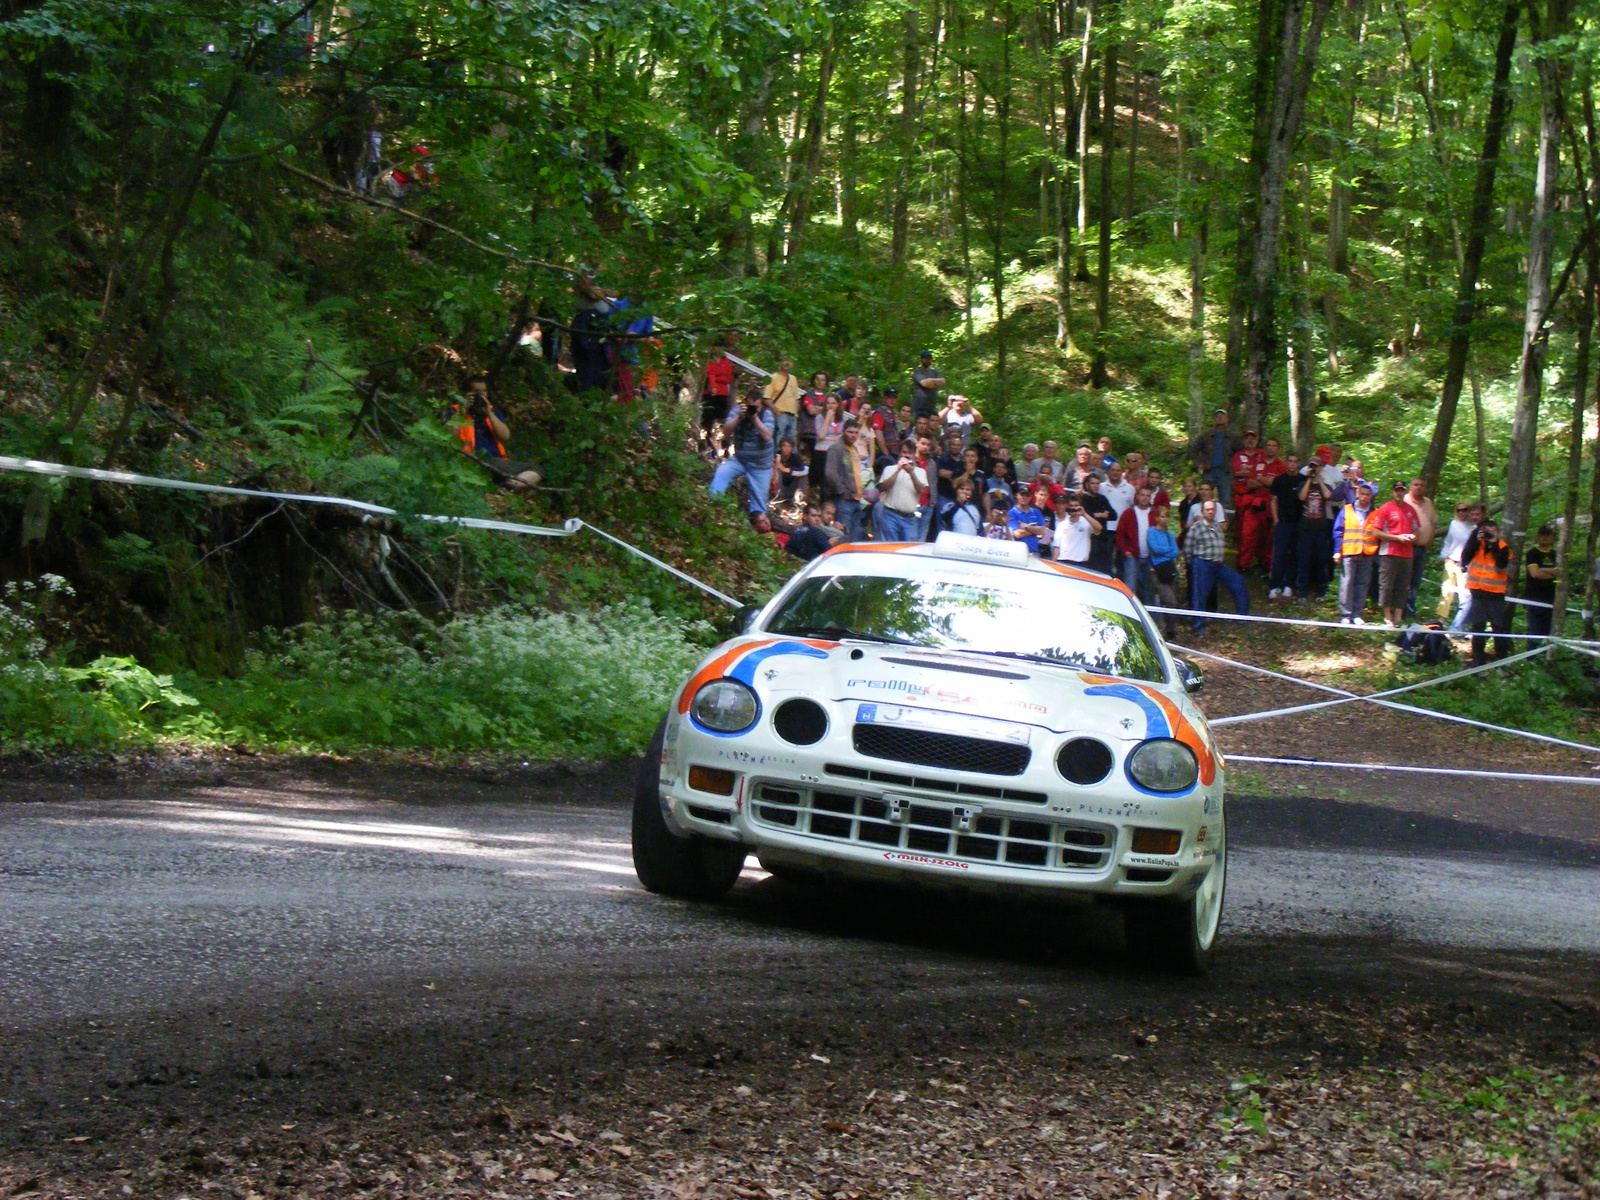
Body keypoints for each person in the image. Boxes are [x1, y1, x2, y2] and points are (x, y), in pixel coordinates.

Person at [1184, 499, 1251, 636]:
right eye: (1207, 509)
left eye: (1212, 509)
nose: (1210, 512)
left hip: (1218, 564)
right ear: (1202, 511)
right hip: (1202, 563)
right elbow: (1187, 548)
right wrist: (1193, 563)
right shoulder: (1196, 527)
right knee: (1200, 595)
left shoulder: (1217, 526)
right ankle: (1198, 627)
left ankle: (1242, 617)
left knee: (1237, 582)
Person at [708, 388, 776, 514]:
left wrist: (755, 418)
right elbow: (726, 431)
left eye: (757, 406)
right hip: (740, 460)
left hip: (760, 465)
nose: (753, 408)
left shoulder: (767, 414)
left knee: (759, 502)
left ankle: (757, 524)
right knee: (722, 473)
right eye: (751, 405)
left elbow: (767, 436)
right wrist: (739, 416)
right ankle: (712, 506)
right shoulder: (737, 410)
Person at [1462, 517, 1513, 664]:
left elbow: (1502, 564)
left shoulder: (1503, 546)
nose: (1488, 535)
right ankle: (1477, 659)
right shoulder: (1477, 544)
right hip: (1478, 591)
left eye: (1492, 532)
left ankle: (1501, 659)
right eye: (1486, 532)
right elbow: (1465, 558)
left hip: (1495, 593)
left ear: (1498, 533)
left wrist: (1494, 544)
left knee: (1498, 627)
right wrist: (1475, 539)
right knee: (1478, 626)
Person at [1369, 480, 1419, 627]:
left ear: (1405, 492)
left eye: (1402, 490)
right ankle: (1387, 615)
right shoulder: (1385, 509)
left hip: (1407, 552)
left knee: (1403, 585)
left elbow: (1415, 528)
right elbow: (1376, 531)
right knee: (1386, 584)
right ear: (1393, 492)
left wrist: (1412, 536)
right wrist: (1396, 537)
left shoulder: (1410, 509)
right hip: (1389, 552)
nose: (1399, 493)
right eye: (1397, 490)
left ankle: (1398, 615)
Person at [1333, 481, 1379, 624]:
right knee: (1346, 583)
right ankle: (1345, 615)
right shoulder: (1346, 509)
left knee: (1362, 583)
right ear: (1357, 494)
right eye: (1362, 494)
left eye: (1368, 494)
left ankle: (1357, 614)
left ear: (1371, 496)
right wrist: (1337, 551)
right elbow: (1338, 531)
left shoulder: (1376, 513)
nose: (1365, 497)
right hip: (1349, 551)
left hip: (1367, 553)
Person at [1295, 459, 1335, 601]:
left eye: (1316, 466)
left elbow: (1328, 496)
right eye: (1311, 465)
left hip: (1321, 529)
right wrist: (1309, 480)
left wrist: (1320, 481)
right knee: (1304, 560)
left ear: (1320, 468)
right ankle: (1302, 592)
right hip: (1305, 529)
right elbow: (1301, 497)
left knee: (1321, 560)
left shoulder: (1325, 485)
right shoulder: (1302, 484)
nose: (1313, 468)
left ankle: (1321, 591)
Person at [1266, 452, 1304, 599]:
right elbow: (1273, 500)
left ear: (1298, 464)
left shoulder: (1302, 480)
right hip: (1282, 523)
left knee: (1294, 555)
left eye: (1295, 461)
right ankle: (1275, 585)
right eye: (1289, 461)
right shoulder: (1279, 480)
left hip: (1298, 524)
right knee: (1279, 555)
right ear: (1286, 463)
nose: (1292, 464)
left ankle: (1289, 585)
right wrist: (1276, 519)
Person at [1232, 430, 1271, 571]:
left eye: (1252, 438)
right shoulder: (1238, 456)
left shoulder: (1262, 455)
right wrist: (1255, 475)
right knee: (1244, 532)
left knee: (1263, 532)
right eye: (1247, 438)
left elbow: (1267, 475)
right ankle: (1243, 562)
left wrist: (1250, 473)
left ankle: (1262, 561)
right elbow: (1237, 472)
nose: (1250, 440)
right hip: (1243, 497)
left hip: (1261, 498)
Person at [876, 439, 928, 542]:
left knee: (909, 549)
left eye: (910, 453)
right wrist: (898, 470)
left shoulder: (921, 472)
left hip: (910, 518)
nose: (907, 455)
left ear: (914, 454)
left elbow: (921, 490)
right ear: (899, 453)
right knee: (890, 548)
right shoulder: (889, 469)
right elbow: (885, 487)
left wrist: (911, 473)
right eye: (904, 452)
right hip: (890, 515)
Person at [1401, 477, 1438, 619]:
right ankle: (1401, 608)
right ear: (1411, 486)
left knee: (1415, 580)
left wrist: (1429, 540)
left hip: (1422, 548)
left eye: (1422, 485)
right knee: (1405, 579)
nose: (1419, 487)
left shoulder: (1428, 502)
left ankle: (1411, 607)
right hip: (1407, 547)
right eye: (1416, 485)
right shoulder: (1404, 500)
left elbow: (1433, 523)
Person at [1437, 499, 1477, 627]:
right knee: (1446, 593)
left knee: (1464, 596)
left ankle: (1458, 626)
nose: (1462, 513)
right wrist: (1444, 556)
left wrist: (1469, 563)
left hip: (1464, 565)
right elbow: (1448, 541)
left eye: (1465, 510)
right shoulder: (1453, 524)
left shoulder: (1474, 528)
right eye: (1459, 510)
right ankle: (1440, 621)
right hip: (1450, 562)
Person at [1187, 409, 1241, 505]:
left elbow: (1240, 453)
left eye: (1222, 416)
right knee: (1204, 497)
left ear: (1226, 419)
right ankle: (1203, 518)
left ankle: (1223, 519)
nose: (1220, 418)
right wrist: (1198, 463)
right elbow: (1193, 449)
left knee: (1225, 500)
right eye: (1217, 416)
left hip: (1225, 471)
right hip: (1209, 470)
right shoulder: (1206, 435)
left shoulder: (1232, 436)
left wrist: (1235, 466)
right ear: (1214, 419)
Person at [824, 419, 866, 540]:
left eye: (856, 432)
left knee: (855, 537)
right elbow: (830, 473)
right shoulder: (836, 449)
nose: (853, 435)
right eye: (850, 432)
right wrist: (842, 491)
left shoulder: (854, 449)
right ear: (843, 431)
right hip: (843, 500)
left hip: (856, 498)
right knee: (842, 537)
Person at [1116, 486, 1157, 601]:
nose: (1145, 498)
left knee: (1149, 590)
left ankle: (1152, 616)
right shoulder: (1129, 513)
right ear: (1137, 496)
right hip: (1132, 555)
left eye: (1148, 496)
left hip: (1150, 557)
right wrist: (1125, 551)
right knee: (1130, 587)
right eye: (1142, 495)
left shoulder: (1154, 514)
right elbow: (1120, 534)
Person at [1146, 505, 1181, 635]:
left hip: (1169, 569)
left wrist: (1164, 551)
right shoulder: (1151, 532)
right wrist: (1167, 550)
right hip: (1157, 570)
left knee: (1170, 601)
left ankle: (1171, 630)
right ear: (1156, 518)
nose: (1164, 519)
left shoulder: (1169, 535)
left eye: (1167, 516)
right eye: (1162, 516)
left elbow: (1176, 552)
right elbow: (1155, 549)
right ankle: (1163, 629)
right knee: (1167, 600)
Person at [1524, 523, 1560, 642]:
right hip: (1535, 597)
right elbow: (1535, 573)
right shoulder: (1532, 553)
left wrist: (1542, 569)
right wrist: (1553, 572)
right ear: (1538, 536)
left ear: (1552, 537)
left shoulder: (1556, 554)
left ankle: (1546, 657)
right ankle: (1532, 657)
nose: (1544, 537)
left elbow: (1561, 572)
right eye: (1542, 535)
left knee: (1548, 631)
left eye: (1547, 535)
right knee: (1535, 630)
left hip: (1552, 597)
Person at [699, 342, 738, 452]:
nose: (718, 348)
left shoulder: (725, 361)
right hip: (710, 393)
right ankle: (705, 441)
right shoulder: (709, 360)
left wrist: (718, 378)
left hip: (723, 393)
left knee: (720, 417)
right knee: (708, 418)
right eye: (716, 346)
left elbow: (728, 377)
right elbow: (710, 374)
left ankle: (720, 443)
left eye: (720, 346)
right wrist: (715, 383)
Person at [1077, 472, 1118, 575]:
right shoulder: (1084, 499)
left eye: (1097, 483)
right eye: (1093, 483)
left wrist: (1105, 515)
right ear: (1087, 485)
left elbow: (1114, 515)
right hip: (1089, 537)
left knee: (1104, 568)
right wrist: (1100, 515)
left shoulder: (1102, 498)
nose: (1095, 486)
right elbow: (1085, 514)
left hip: (1103, 538)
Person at [1052, 493, 1099, 566]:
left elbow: (1098, 529)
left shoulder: (1086, 522)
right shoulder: (1062, 524)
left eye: (1076, 506)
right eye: (1071, 506)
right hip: (1063, 561)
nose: (1074, 508)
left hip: (1081, 562)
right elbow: (1056, 547)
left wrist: (1084, 514)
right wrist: (1053, 564)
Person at [763, 357, 802, 445]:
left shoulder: (793, 379)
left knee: (791, 441)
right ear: (779, 364)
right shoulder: (772, 378)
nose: (787, 363)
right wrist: (776, 412)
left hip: (792, 416)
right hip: (780, 414)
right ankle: (777, 457)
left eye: (789, 361)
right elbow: (766, 398)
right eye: (785, 361)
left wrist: (796, 413)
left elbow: (796, 397)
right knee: (779, 439)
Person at [811, 393, 845, 488]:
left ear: (838, 404)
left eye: (833, 403)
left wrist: (827, 438)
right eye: (828, 403)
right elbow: (821, 435)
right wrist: (828, 418)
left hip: (837, 450)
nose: (831, 406)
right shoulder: (820, 418)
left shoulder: (844, 418)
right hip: (822, 450)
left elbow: (844, 436)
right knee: (823, 478)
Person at [1007, 489, 1050, 555]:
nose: (1024, 497)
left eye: (1027, 495)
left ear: (1030, 497)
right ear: (1017, 496)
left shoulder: (1036, 512)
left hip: (1033, 551)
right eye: (1022, 495)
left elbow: (1042, 530)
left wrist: (1027, 527)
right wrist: (1035, 530)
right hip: (1017, 552)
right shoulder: (1011, 512)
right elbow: (1018, 534)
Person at [773, 437, 809, 506]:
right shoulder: (775, 456)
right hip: (778, 485)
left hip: (792, 485)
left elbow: (804, 469)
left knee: (804, 476)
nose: (786, 449)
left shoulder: (795, 458)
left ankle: (799, 500)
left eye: (789, 446)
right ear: (781, 447)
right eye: (784, 446)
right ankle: (777, 497)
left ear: (792, 448)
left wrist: (785, 469)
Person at [911, 351, 947, 419]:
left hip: (931, 407)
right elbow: (924, 383)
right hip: (919, 407)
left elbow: (943, 381)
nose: (927, 360)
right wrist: (935, 383)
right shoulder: (918, 371)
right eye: (925, 358)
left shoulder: (934, 372)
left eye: (929, 358)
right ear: (921, 359)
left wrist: (930, 381)